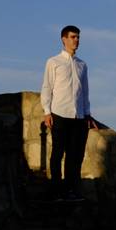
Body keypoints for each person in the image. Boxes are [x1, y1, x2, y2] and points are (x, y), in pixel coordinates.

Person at [40, 25, 97, 201]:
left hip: (78, 117)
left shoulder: (82, 65)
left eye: (78, 37)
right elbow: (47, 87)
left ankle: (71, 190)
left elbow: (85, 91)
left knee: (75, 156)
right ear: (64, 39)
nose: (76, 40)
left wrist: (87, 113)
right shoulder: (53, 62)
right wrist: (47, 111)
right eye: (73, 37)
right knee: (58, 154)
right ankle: (56, 191)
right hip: (59, 113)